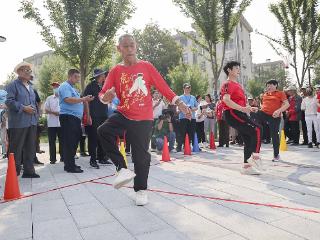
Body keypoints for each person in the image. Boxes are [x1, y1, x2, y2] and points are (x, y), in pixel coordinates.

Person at [97, 34, 190, 206]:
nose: (129, 49)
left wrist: (180, 102)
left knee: (141, 156)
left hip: (143, 118)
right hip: (124, 113)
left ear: (136, 46)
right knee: (103, 130)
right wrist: (106, 98)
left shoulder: (146, 66)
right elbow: (103, 94)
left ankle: (140, 190)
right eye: (125, 46)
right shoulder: (116, 71)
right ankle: (121, 169)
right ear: (119, 49)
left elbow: (164, 87)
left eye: (132, 45)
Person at [220, 61, 262, 175]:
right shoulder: (227, 84)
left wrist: (248, 108)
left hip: (239, 112)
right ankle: (255, 156)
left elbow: (238, 102)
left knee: (249, 137)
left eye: (239, 68)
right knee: (257, 129)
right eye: (236, 68)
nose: (239, 69)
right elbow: (226, 100)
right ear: (229, 70)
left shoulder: (238, 85)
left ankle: (246, 167)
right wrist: (242, 109)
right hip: (232, 113)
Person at [5, 62, 40, 178]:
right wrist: (24, 108)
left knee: (30, 147)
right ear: (19, 72)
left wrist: (36, 115)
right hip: (18, 122)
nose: (28, 72)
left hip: (32, 121)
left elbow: (34, 103)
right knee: (16, 149)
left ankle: (29, 171)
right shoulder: (12, 85)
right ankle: (13, 173)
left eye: (29, 70)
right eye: (25, 70)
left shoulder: (31, 86)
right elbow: (9, 101)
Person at [59, 69, 94, 173]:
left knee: (74, 141)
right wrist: (83, 99)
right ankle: (69, 166)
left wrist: (84, 101)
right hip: (68, 117)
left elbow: (77, 101)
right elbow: (67, 99)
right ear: (70, 76)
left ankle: (71, 163)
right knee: (70, 141)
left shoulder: (72, 88)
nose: (78, 79)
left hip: (74, 118)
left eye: (79, 77)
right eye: (76, 77)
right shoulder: (65, 86)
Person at [83, 69, 111, 169]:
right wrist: (88, 115)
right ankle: (93, 160)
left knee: (102, 137)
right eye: (104, 74)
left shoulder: (104, 86)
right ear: (99, 76)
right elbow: (85, 101)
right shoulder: (90, 86)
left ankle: (102, 157)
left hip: (103, 115)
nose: (105, 76)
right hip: (94, 115)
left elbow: (107, 99)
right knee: (93, 138)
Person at [256, 80, 289, 161]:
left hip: (274, 116)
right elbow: (263, 106)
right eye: (267, 86)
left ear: (276, 85)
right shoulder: (264, 95)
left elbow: (287, 104)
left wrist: (279, 111)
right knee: (255, 112)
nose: (268, 87)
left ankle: (276, 155)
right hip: (264, 114)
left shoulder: (280, 93)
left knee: (274, 135)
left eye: (270, 85)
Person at [44, 82, 63, 164]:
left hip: (62, 123)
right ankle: (52, 159)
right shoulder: (49, 98)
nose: (55, 88)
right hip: (51, 124)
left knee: (62, 141)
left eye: (57, 86)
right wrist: (54, 112)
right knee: (52, 141)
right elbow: (46, 110)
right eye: (54, 87)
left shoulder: (63, 98)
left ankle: (63, 157)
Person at [176, 83, 198, 152]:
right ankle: (179, 146)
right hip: (183, 117)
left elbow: (196, 107)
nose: (188, 89)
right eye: (186, 88)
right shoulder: (180, 97)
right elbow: (177, 107)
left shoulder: (193, 97)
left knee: (191, 132)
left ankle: (188, 145)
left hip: (192, 117)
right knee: (182, 132)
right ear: (183, 89)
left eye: (189, 88)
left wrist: (191, 109)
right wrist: (179, 110)